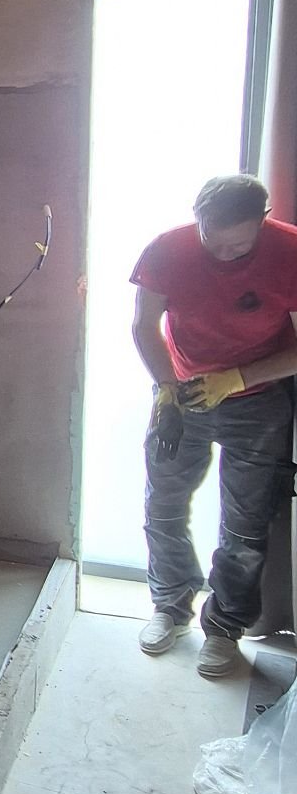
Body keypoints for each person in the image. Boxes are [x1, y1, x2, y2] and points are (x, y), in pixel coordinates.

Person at [132, 174, 297, 677]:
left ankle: (224, 627)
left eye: (239, 246)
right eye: (212, 240)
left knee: (245, 522)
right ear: (197, 218)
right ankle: (169, 606)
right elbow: (144, 325)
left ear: (263, 222)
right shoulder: (167, 250)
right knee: (163, 504)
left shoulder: (290, 251)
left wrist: (238, 378)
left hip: (258, 400)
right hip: (185, 393)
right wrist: (165, 387)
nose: (224, 255)